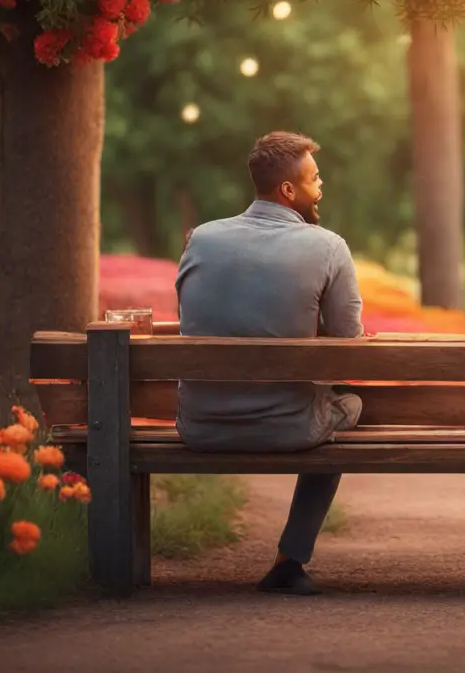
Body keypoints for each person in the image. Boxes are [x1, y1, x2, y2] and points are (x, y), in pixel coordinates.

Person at [176, 131, 364, 596]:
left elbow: (197, 317)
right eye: (315, 179)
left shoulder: (201, 238)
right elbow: (350, 343)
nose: (321, 188)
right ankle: (290, 558)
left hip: (201, 425)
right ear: (288, 190)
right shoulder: (328, 246)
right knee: (350, 404)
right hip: (289, 429)